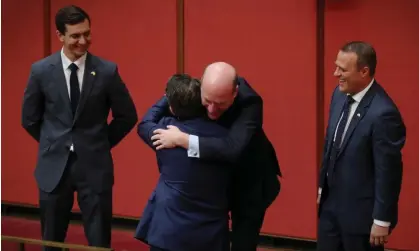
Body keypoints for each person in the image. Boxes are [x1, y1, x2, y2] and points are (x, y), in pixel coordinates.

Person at [21, 5, 138, 249]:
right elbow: (29, 119)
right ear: (60, 36)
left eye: (87, 34)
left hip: (94, 167)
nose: (83, 41)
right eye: (75, 35)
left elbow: (127, 116)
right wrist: (53, 141)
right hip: (53, 168)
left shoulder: (107, 71)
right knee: (51, 240)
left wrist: (100, 141)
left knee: (98, 241)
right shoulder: (41, 71)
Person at [150, 62, 281, 251]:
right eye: (207, 102)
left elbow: (232, 148)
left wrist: (183, 139)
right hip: (214, 185)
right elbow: (153, 118)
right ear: (201, 85)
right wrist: (166, 98)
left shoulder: (250, 102)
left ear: (234, 93)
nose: (211, 110)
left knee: (242, 245)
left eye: (220, 104)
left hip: (249, 183)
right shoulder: (201, 89)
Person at [317, 41, 406, 251]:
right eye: (336, 66)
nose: (335, 73)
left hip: (361, 219)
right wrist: (322, 187)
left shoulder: (384, 114)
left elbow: (388, 172)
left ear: (364, 71)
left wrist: (382, 220)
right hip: (330, 211)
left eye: (342, 69)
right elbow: (331, 145)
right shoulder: (339, 95)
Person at [134, 74, 232, 251]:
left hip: (168, 231)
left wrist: (167, 98)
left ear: (171, 107)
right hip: (211, 234)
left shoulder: (164, 132)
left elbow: (145, 123)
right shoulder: (225, 137)